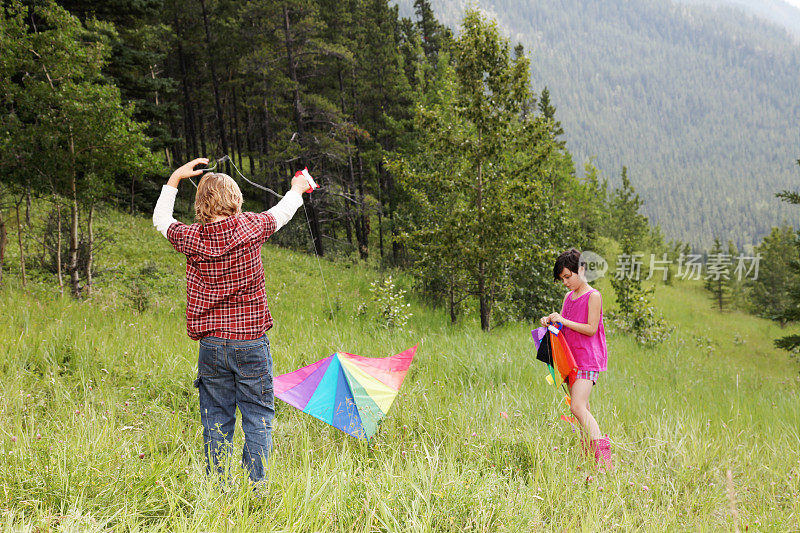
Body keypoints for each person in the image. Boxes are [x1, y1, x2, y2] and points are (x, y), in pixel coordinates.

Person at [152, 157, 310, 484]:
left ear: (200, 204)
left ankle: (219, 490)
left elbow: (160, 219)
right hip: (251, 344)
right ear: (236, 200)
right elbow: (284, 210)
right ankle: (255, 489)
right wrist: (298, 187)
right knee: (258, 416)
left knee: (216, 420)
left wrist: (176, 177)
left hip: (211, 346)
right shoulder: (252, 227)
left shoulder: (191, 238)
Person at [540, 248, 612, 470]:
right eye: (562, 279)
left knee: (577, 407)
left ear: (581, 270)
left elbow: (591, 329)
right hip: (571, 359)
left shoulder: (594, 296)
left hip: (588, 359)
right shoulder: (568, 297)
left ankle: (604, 460)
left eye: (568, 277)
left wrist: (563, 320)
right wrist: (551, 322)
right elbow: (562, 325)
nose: (565, 282)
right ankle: (590, 459)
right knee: (583, 411)